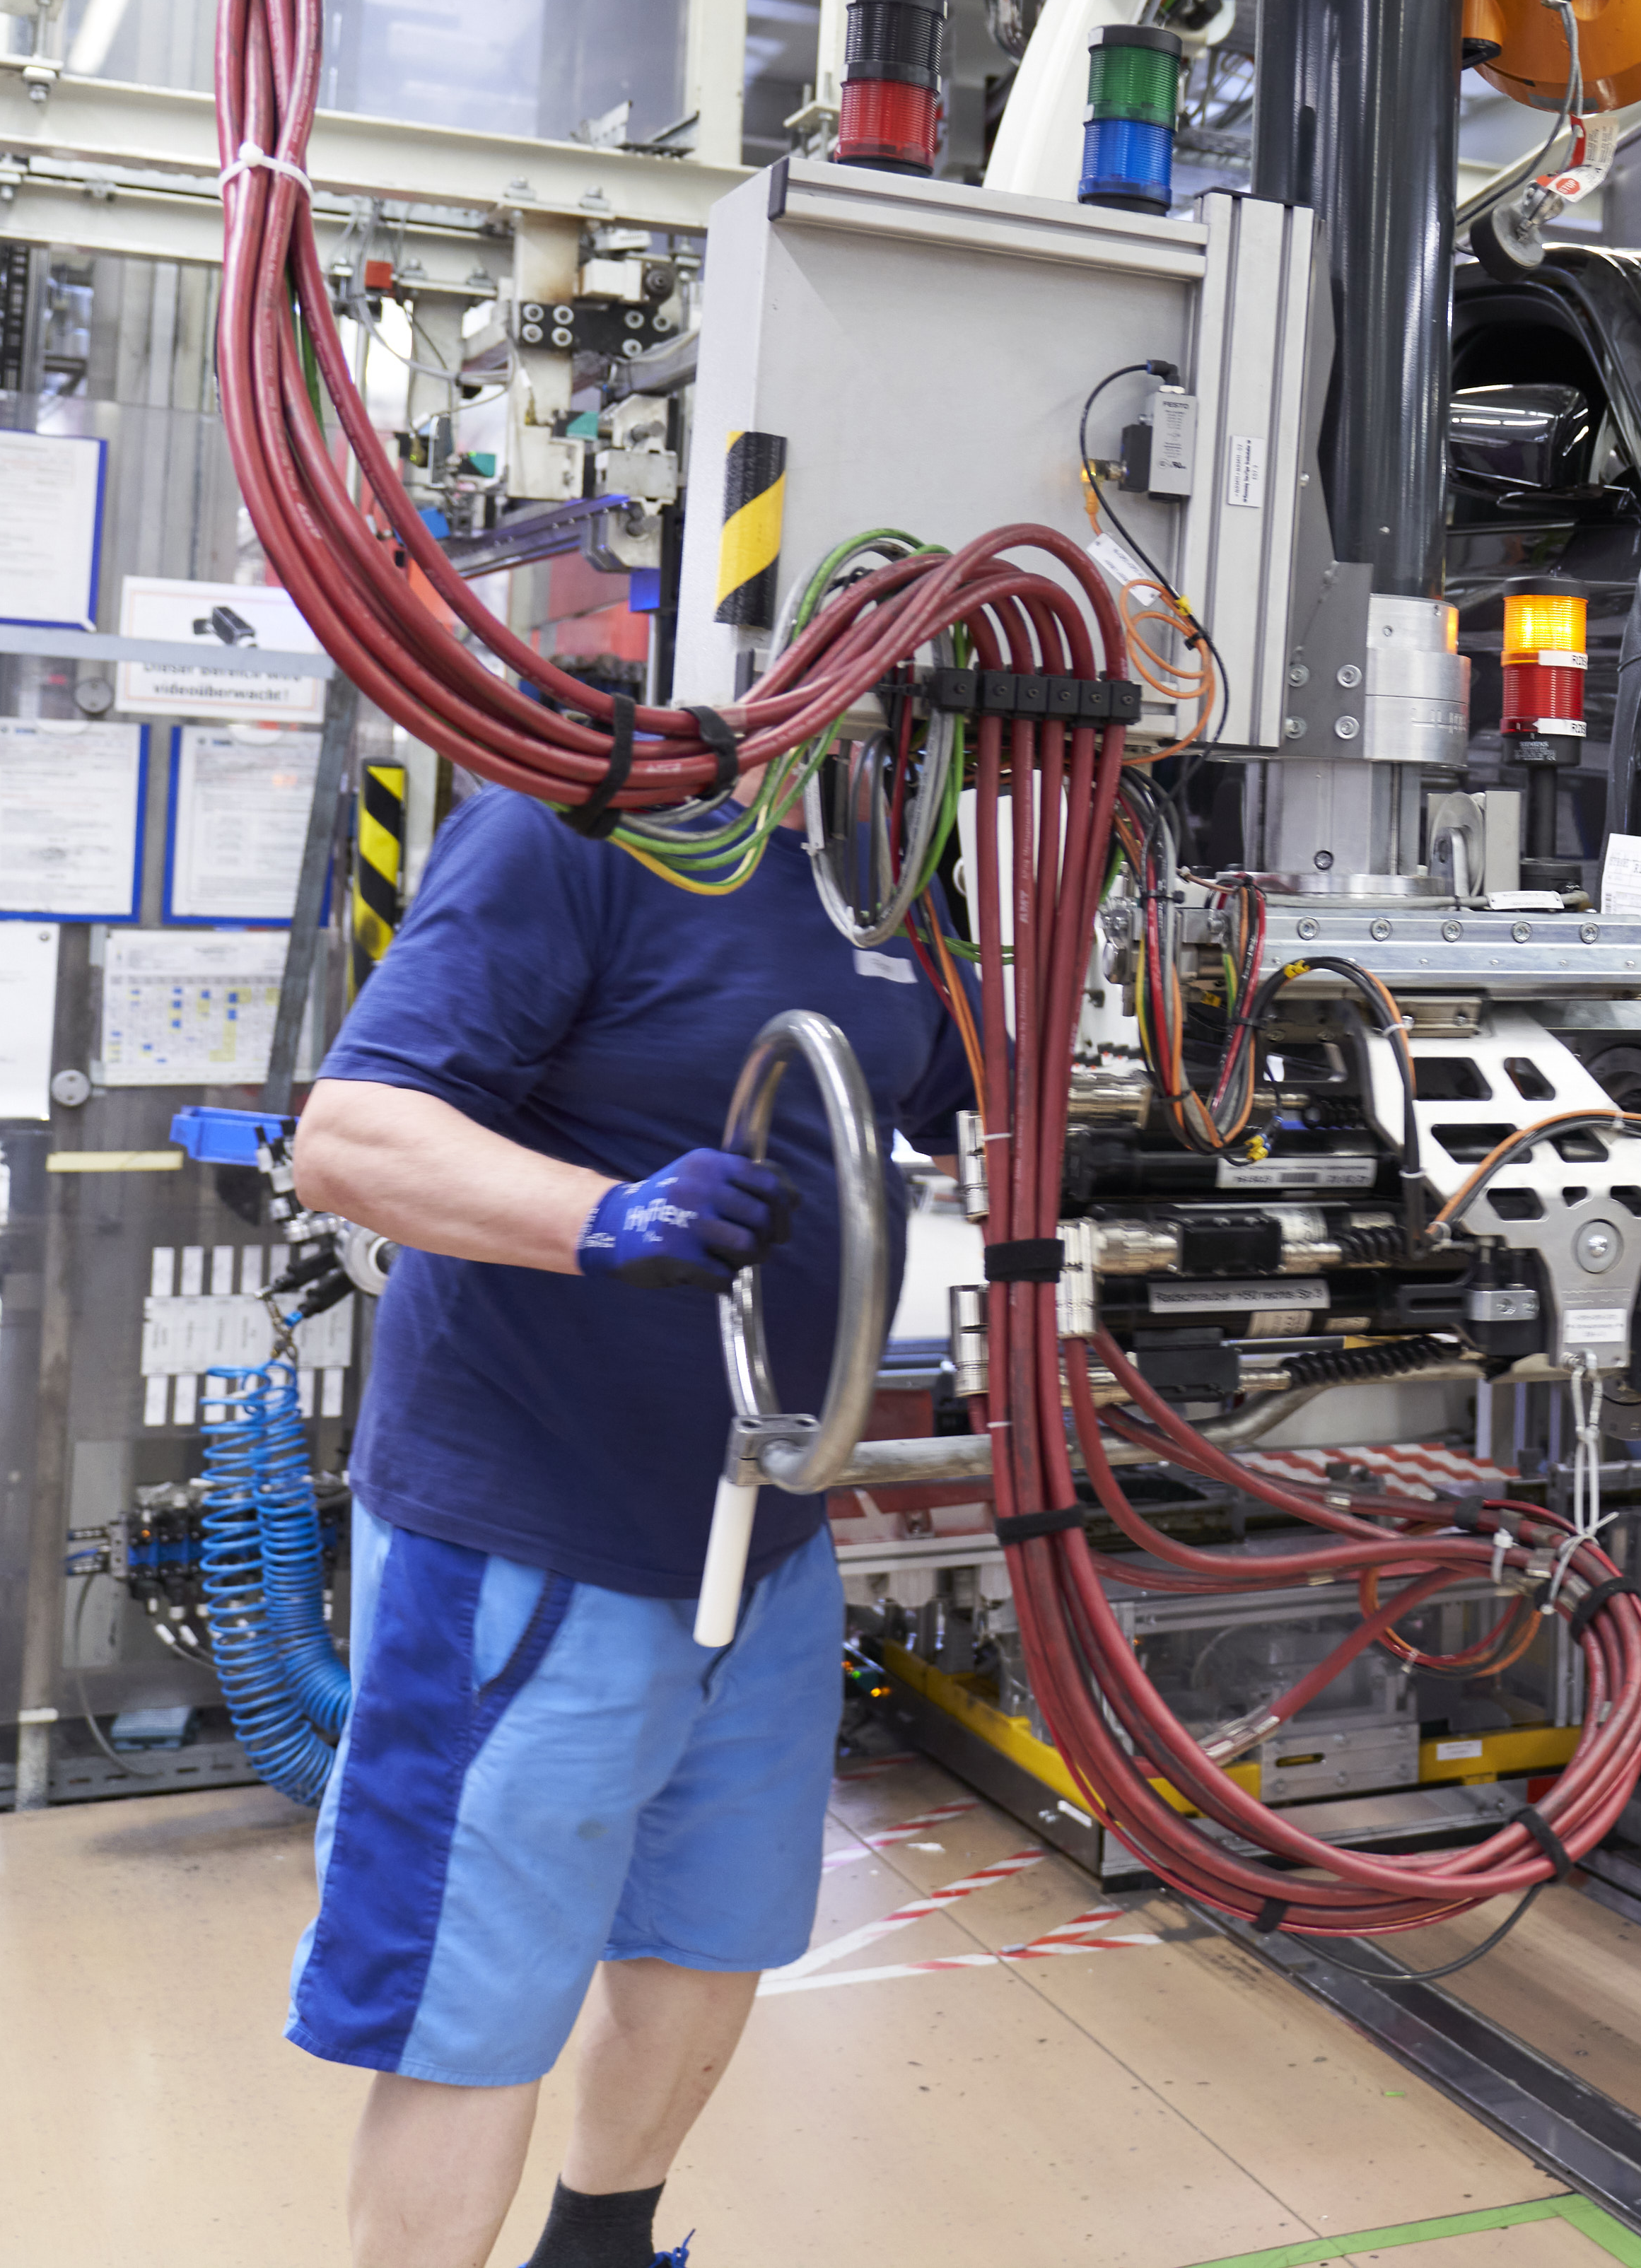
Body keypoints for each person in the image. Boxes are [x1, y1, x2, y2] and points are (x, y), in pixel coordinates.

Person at [287, 759, 968, 2268]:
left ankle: (599, 2246)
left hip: (762, 1524)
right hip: (529, 1525)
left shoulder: (881, 870)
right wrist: (605, 1214)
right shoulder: (571, 829)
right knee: (471, 1992)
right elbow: (353, 1135)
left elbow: (955, 1084)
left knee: (710, 1928)